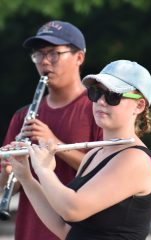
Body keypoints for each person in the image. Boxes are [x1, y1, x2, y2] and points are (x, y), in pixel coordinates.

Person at [8, 60, 151, 240]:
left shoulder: (136, 159)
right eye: (96, 93)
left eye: (113, 96)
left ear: (139, 105)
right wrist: (26, 177)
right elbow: (64, 228)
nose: (101, 101)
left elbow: (73, 209)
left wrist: (44, 169)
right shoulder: (94, 154)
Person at [0, 20, 102, 240]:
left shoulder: (98, 110)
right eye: (39, 54)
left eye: (54, 53)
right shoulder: (23, 116)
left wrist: (54, 144)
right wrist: (9, 173)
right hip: (30, 231)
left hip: (77, 232)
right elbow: (12, 187)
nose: (45, 61)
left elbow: (106, 170)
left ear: (79, 57)